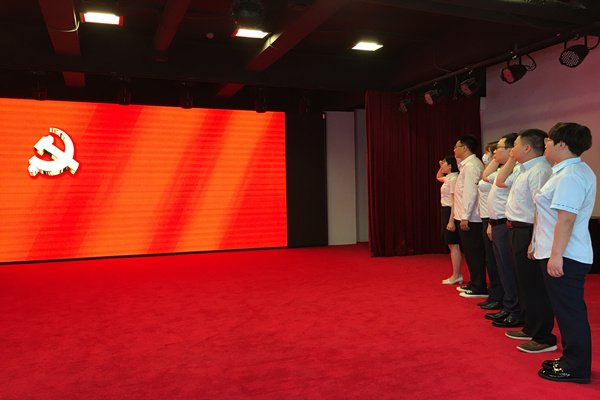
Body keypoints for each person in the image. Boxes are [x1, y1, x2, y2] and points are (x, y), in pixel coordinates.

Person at [533, 123, 595, 384]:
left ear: (561, 144)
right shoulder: (566, 171)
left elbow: (566, 219)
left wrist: (556, 255)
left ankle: (575, 367)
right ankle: (571, 360)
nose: (545, 144)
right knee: (567, 311)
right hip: (560, 251)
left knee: (570, 312)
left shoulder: (570, 175)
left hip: (566, 255)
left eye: (548, 140)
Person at [495, 129, 556, 353]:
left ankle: (543, 336)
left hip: (529, 230)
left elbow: (541, 209)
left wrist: (535, 240)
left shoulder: (539, 170)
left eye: (516, 145)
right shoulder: (524, 168)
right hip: (517, 230)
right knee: (524, 283)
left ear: (528, 147)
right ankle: (531, 326)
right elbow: (500, 181)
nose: (512, 150)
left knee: (534, 285)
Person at [482, 133, 523, 326]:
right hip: (497, 223)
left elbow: (499, 183)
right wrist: (497, 158)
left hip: (507, 224)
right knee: (503, 269)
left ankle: (514, 310)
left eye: (499, 148)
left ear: (511, 150)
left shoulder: (516, 170)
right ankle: (508, 307)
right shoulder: (503, 169)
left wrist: (511, 157)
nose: (494, 152)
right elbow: (485, 176)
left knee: (509, 270)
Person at [453, 135, 487, 298]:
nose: (454, 150)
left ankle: (479, 285)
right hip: (466, 215)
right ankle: (474, 282)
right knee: (470, 252)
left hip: (472, 217)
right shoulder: (466, 165)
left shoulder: (472, 165)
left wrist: (465, 216)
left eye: (456, 146)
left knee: (475, 252)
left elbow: (470, 192)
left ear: (465, 147)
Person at [477, 141, 503, 309]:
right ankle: (495, 294)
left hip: (495, 218)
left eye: (490, 152)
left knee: (497, 262)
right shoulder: (494, 170)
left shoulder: (503, 171)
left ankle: (499, 297)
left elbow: (486, 177)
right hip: (488, 216)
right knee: (491, 261)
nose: (486, 156)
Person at [436, 155, 462, 284]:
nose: (442, 165)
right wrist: (441, 165)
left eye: (444, 163)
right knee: (451, 244)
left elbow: (454, 201)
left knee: (453, 244)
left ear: (450, 166)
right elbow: (438, 176)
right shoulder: (449, 177)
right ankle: (456, 274)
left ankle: (456, 275)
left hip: (450, 211)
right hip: (445, 210)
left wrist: (451, 220)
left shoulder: (453, 179)